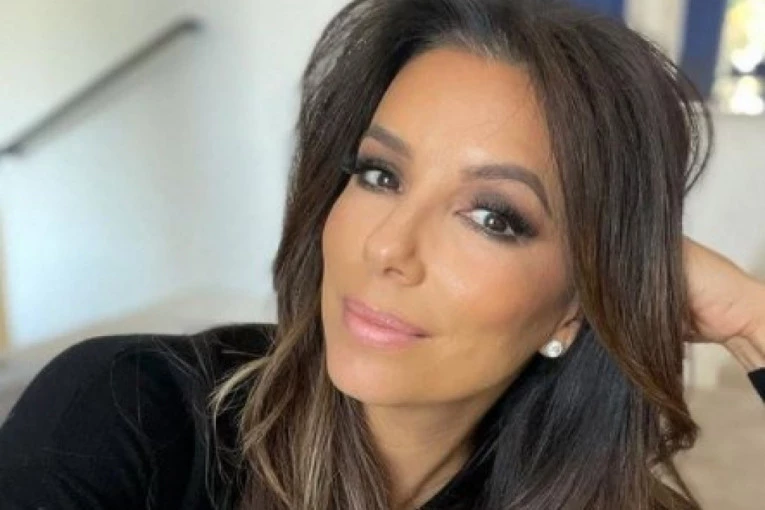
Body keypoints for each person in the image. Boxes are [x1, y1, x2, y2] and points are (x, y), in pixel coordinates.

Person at [1, 0, 763, 509]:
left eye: (492, 217)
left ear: (573, 306)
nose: (387, 245)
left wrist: (750, 316)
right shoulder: (126, 417)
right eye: (378, 175)